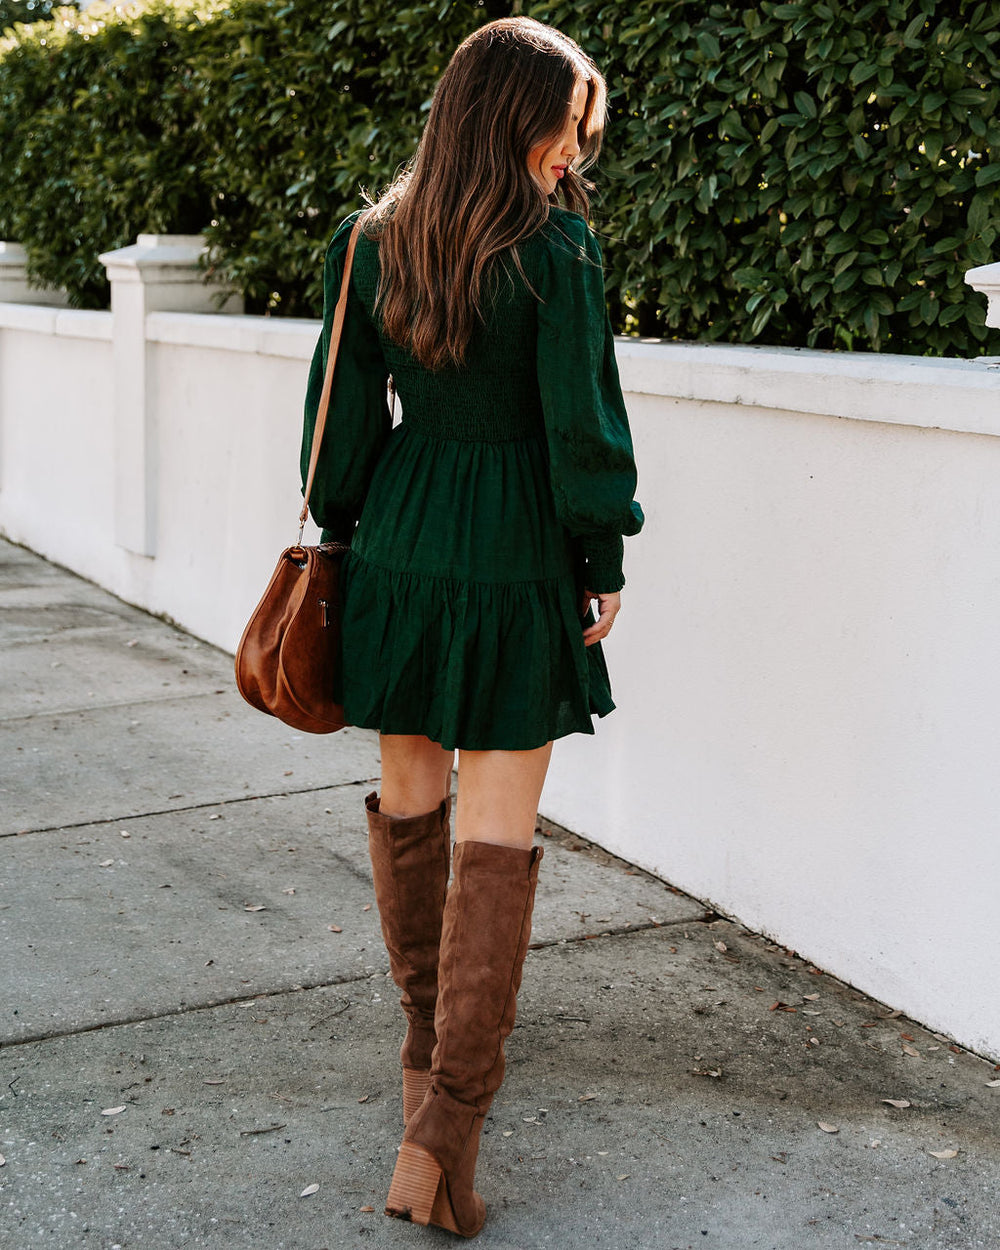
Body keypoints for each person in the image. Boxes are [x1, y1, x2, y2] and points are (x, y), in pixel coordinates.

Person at [300, 15, 643, 1238]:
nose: (572, 151)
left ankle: (421, 1066)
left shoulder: (370, 241)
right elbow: (580, 427)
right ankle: (443, 1132)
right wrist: (602, 555)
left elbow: (339, 422)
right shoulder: (556, 251)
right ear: (515, 116)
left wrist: (345, 533)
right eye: (565, 126)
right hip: (514, 555)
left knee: (409, 811)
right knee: (496, 843)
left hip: (399, 545)